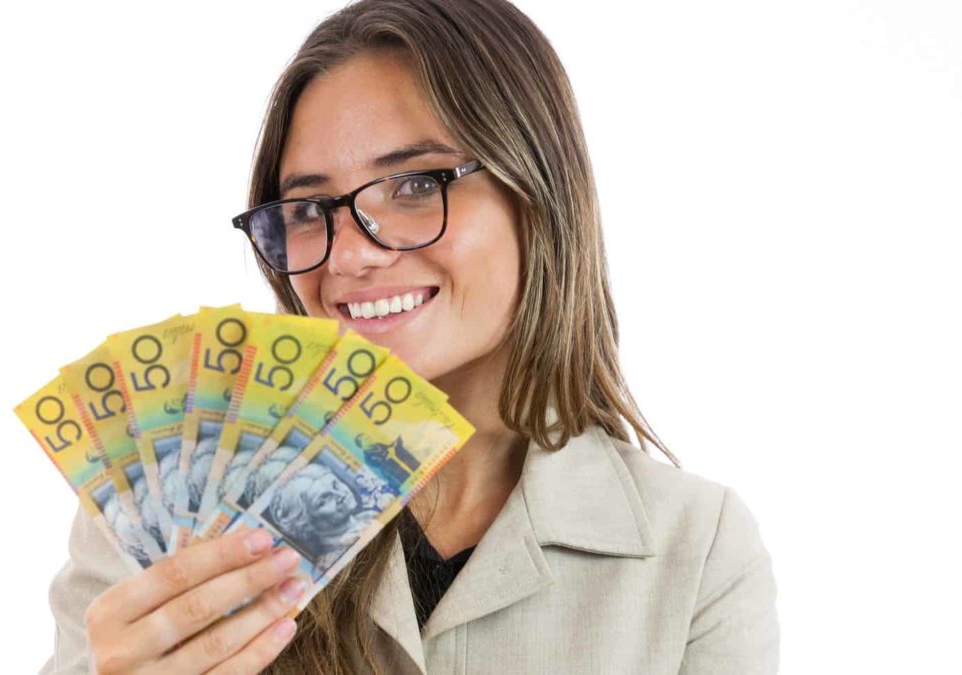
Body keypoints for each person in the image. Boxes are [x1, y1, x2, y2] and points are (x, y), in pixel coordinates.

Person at [42, 1, 780, 673]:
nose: (350, 253)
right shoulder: (164, 513)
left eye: (418, 184)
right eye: (307, 209)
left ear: (540, 193)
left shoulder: (696, 547)